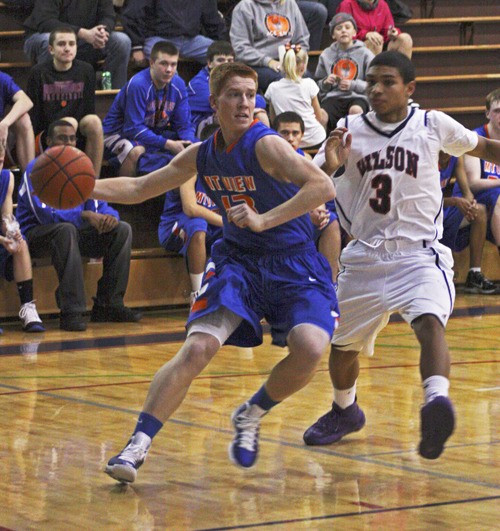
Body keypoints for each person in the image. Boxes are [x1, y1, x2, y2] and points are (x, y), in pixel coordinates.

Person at [89, 62, 338, 483]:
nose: (244, 103)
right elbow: (138, 188)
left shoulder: (268, 144)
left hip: (292, 260)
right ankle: (136, 445)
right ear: (214, 102)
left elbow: (323, 187)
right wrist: (84, 186)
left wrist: (264, 219)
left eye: (250, 95)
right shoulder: (203, 153)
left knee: (311, 348)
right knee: (197, 349)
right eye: (234, 95)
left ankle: (251, 413)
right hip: (237, 261)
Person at [303, 51, 500, 460]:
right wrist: (334, 167)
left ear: (409, 88)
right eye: (371, 81)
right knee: (342, 348)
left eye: (387, 81)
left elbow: (484, 147)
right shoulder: (347, 128)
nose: (376, 88)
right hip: (364, 256)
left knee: (429, 323)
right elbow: (312, 178)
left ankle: (436, 403)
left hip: (418, 256)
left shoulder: (431, 123)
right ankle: (345, 410)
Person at [16, 120, 142, 332]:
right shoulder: (36, 170)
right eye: (61, 138)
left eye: (72, 138)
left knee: (121, 229)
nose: (68, 143)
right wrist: (85, 215)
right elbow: (46, 214)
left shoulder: (80, 167)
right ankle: (71, 310)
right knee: (65, 230)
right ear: (48, 141)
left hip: (71, 235)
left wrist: (108, 217)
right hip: (37, 236)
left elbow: (99, 200)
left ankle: (108, 304)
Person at [102, 41, 197, 177]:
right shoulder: (139, 85)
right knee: (135, 151)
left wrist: (188, 143)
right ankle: (125, 197)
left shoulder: (178, 85)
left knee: (197, 145)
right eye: (163, 63)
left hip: (151, 132)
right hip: (117, 134)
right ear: (152, 63)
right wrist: (168, 144)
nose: (169, 70)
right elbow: (133, 129)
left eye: (173, 64)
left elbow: (184, 124)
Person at [26, 26, 104, 176]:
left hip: (76, 132)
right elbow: (34, 116)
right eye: (61, 44)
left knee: (94, 121)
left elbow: (89, 110)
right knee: (69, 123)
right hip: (48, 133)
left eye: (71, 44)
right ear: (51, 49)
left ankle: (92, 183)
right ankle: (61, 177)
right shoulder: (38, 72)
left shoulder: (86, 70)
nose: (67, 48)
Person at [274, 111, 341, 281]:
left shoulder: (306, 158)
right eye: (285, 133)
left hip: (303, 215)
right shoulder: (269, 159)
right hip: (279, 219)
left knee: (330, 221)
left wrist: (319, 211)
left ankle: (332, 282)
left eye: (295, 133)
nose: (290, 138)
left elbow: (317, 190)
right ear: (275, 135)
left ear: (302, 136)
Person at [23, 0, 131, 89]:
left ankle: (114, 99)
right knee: (51, 41)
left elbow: (108, 15)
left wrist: (102, 31)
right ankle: (51, 99)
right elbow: (45, 22)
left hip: (85, 40)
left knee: (121, 41)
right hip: (42, 36)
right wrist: (82, 33)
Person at [0, 140, 45, 333]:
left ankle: (28, 308)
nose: (1, 154)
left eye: (1, 148)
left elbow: (6, 217)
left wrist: (11, 232)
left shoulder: (5, 177)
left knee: (21, 243)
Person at [158, 175, 223, 305]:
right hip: (175, 224)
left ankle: (241, 295)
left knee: (243, 233)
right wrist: (227, 223)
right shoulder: (190, 165)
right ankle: (197, 296)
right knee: (197, 225)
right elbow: (190, 209)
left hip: (213, 225)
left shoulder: (229, 170)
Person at [439, 153, 496, 294]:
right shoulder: (427, 156)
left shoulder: (456, 156)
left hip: (442, 208)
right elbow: (424, 200)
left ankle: (474, 274)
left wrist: (470, 203)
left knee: (479, 211)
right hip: (422, 210)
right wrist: (455, 201)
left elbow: (467, 193)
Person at [230, 0, 310, 92]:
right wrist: (269, 62)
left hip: (287, 60)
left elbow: (302, 39)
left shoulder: (290, 3)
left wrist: (297, 59)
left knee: (307, 77)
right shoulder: (245, 7)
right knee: (282, 80)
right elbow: (240, 47)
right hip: (256, 65)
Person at [121, 0, 228, 66]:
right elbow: (132, 14)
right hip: (158, 39)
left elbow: (213, 19)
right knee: (166, 65)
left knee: (223, 58)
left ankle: (211, 96)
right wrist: (137, 47)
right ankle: (173, 99)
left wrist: (225, 47)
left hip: (192, 41)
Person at [315, 13, 373, 131]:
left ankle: (356, 146)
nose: (343, 31)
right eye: (339, 28)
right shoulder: (326, 54)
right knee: (320, 115)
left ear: (354, 32)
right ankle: (323, 147)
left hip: (357, 97)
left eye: (347, 27)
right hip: (333, 98)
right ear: (333, 35)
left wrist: (353, 85)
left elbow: (373, 85)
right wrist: (326, 83)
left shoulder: (365, 53)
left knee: (355, 111)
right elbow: (318, 88)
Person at [463, 88, 500, 266]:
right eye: (497, 111)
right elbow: (473, 184)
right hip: (474, 200)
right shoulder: (476, 138)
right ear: (487, 114)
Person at [265, 43, 327, 149]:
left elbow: (273, 118)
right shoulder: (309, 83)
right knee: (324, 114)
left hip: (286, 141)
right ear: (303, 67)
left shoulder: (272, 87)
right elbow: (319, 117)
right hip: (315, 140)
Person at [337, 0, 413, 58]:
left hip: (380, 44)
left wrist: (393, 33)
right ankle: (371, 77)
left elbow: (387, 29)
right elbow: (343, 33)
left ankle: (403, 76)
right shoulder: (347, 4)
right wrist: (365, 34)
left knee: (405, 38)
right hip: (355, 47)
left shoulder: (382, 4)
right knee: (374, 41)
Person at [0, 70, 35, 174]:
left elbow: (26, 101)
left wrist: (5, 123)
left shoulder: (2, 78)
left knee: (23, 120)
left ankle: (29, 181)